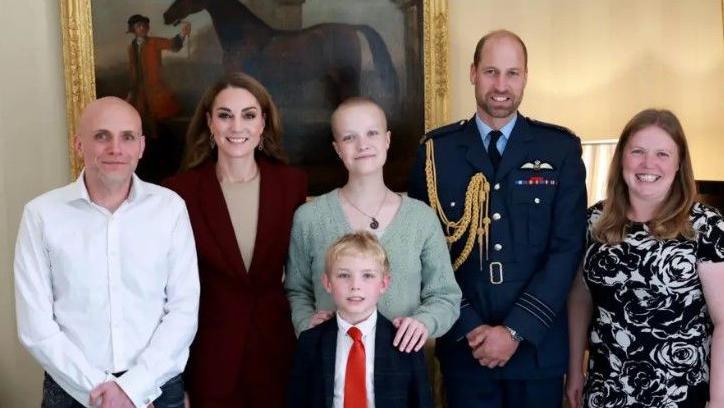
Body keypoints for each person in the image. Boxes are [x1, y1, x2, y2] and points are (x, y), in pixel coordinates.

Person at [408, 29, 587, 407]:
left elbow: (567, 251)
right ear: (473, 72)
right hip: (465, 350)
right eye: (491, 72)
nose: (501, 85)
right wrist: (471, 326)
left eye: (512, 73)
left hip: (536, 350)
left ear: (526, 76)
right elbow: (424, 252)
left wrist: (515, 330)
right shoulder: (434, 153)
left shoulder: (560, 149)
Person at [14, 97, 199, 408]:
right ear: (79, 144)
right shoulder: (41, 215)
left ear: (141, 147)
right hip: (71, 391)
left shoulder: (170, 209)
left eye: (127, 137)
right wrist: (101, 390)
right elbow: (36, 326)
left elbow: (184, 310)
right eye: (102, 136)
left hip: (155, 387)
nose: (116, 148)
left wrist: (132, 388)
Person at [164, 72, 307, 407]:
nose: (237, 127)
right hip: (208, 357)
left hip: (278, 352)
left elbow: (303, 273)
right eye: (225, 115)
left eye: (249, 115)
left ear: (263, 124)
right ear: (210, 123)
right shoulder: (178, 192)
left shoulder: (292, 185)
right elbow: (167, 292)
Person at [566, 109, 724, 408]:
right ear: (621, 158)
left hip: (679, 395)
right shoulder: (593, 222)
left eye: (662, 154)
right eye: (637, 151)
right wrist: (574, 370)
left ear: (679, 164)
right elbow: (579, 299)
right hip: (606, 392)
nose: (648, 164)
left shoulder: (706, 226)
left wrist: (719, 401)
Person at [285, 97, 461, 353]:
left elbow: (445, 295)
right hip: (330, 363)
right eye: (349, 137)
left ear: (387, 140)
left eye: (372, 133)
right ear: (337, 149)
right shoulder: (309, 218)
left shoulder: (421, 218)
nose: (362, 145)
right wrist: (305, 323)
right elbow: (296, 290)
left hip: (401, 366)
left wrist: (424, 322)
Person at [288, 231, 434, 408]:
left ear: (383, 284)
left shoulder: (404, 343)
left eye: (367, 276)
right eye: (344, 275)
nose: (355, 286)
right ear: (327, 283)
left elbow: (422, 402)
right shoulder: (310, 341)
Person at [126, 14, 189, 126]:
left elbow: (172, 45)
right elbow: (132, 69)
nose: (142, 28)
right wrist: (132, 89)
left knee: (161, 116)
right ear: (133, 29)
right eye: (139, 26)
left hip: (155, 87)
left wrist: (182, 34)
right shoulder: (132, 47)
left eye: (144, 26)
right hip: (139, 89)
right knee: (140, 119)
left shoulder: (154, 42)